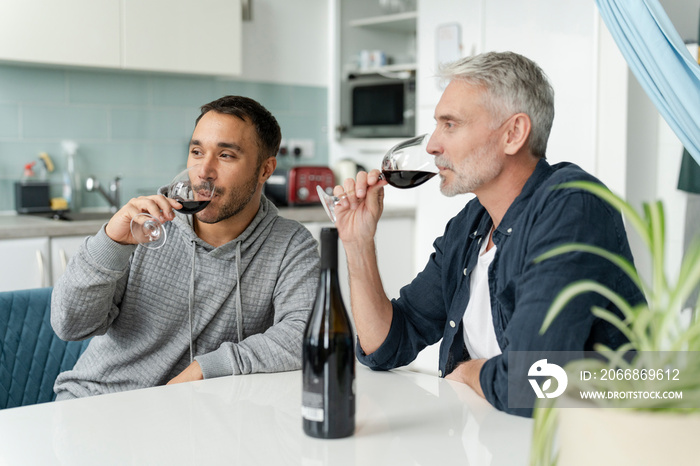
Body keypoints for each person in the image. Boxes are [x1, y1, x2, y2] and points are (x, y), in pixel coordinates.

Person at [333, 52, 645, 416]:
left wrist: (467, 371)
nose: (433, 144)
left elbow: (533, 382)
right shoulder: (472, 224)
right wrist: (358, 243)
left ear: (513, 134)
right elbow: (387, 345)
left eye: (450, 124)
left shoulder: (573, 209)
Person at [51, 95, 320, 399]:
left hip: (189, 418)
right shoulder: (144, 226)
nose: (204, 171)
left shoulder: (290, 245)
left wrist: (207, 368)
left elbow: (307, 333)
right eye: (196, 151)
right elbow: (69, 326)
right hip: (97, 406)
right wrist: (110, 244)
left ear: (265, 170)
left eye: (226, 155)